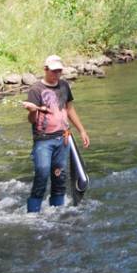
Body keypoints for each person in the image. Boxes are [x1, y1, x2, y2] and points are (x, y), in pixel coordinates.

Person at [21, 54, 90, 213]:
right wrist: (32, 111)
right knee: (42, 174)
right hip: (43, 141)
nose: (56, 74)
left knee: (59, 177)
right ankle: (32, 213)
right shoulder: (36, 90)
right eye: (53, 71)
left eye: (59, 71)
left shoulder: (64, 86)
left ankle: (57, 212)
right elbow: (32, 120)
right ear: (45, 69)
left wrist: (82, 130)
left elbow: (70, 109)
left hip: (63, 138)